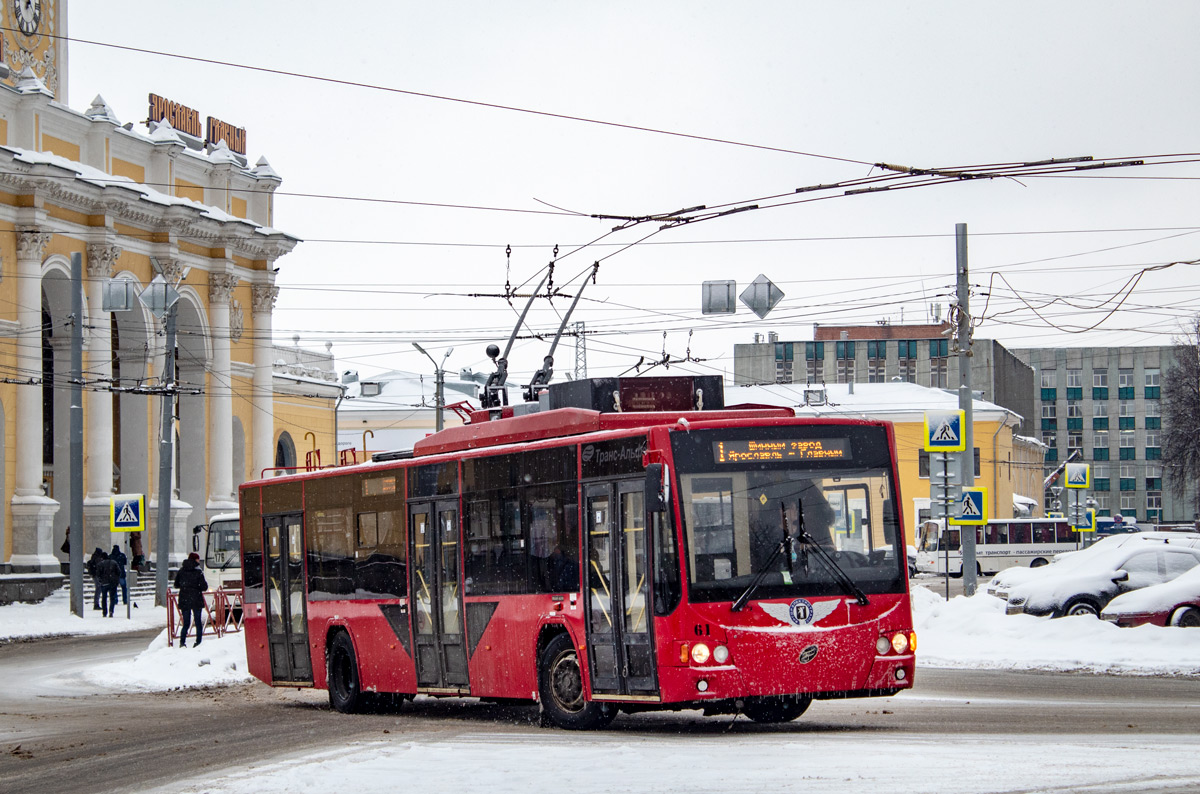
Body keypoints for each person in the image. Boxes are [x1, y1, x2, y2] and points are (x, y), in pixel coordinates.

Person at [174, 551, 209, 647]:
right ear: (195, 560)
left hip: (184, 599)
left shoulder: (181, 570)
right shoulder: (198, 571)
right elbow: (204, 587)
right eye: (198, 559)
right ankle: (198, 642)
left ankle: (182, 642)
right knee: (198, 622)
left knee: (186, 623)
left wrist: (185, 586)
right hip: (196, 599)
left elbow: (176, 584)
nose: (199, 560)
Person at [95, 552, 121, 618]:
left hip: (104, 583)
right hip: (112, 583)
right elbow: (119, 572)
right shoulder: (114, 562)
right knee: (112, 598)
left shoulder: (100, 564)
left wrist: (101, 580)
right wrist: (116, 580)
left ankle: (104, 612)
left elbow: (98, 574)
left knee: (104, 598)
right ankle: (111, 611)